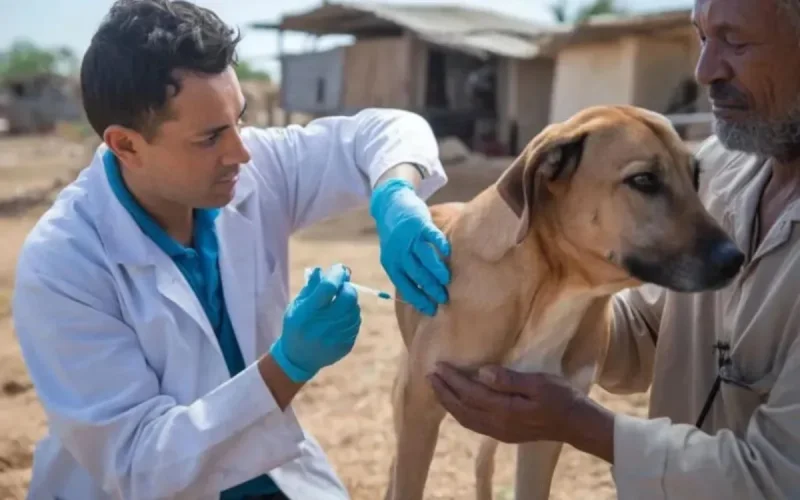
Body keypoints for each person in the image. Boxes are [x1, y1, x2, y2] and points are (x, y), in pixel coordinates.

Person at [10, 1, 451, 499]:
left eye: (239, 119)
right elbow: (141, 466)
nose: (240, 151)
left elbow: (388, 131)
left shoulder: (251, 169)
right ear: (126, 146)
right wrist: (287, 366)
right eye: (211, 136)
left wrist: (395, 196)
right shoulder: (64, 264)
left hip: (271, 474)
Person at [427, 0, 800, 498]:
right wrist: (527, 291)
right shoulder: (719, 170)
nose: (705, 69)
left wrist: (577, 422)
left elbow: (776, 477)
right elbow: (643, 338)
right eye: (703, 37)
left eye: (736, 41)